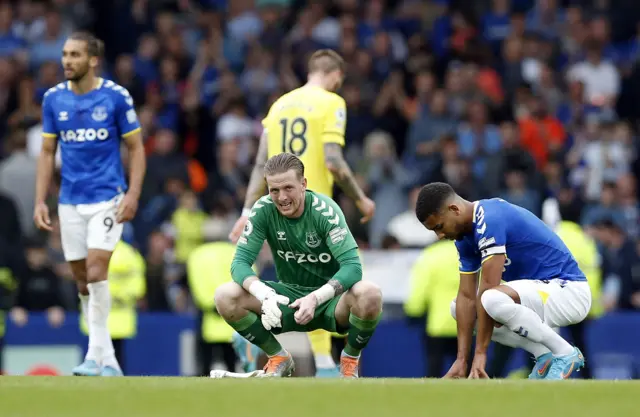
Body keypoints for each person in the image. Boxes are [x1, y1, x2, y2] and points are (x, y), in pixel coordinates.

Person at [228, 49, 375, 377]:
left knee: (299, 281)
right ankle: (325, 367)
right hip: (312, 203)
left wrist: (247, 209)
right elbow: (333, 160)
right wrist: (361, 199)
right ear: (336, 75)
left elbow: (260, 162)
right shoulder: (331, 102)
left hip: (274, 207)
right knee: (323, 280)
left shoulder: (278, 105)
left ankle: (262, 343)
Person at [33, 32, 146, 377]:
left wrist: (132, 195)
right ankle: (106, 355)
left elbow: (137, 148)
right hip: (69, 202)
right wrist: (40, 199)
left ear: (93, 60)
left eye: (75, 55)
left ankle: (95, 355)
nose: (67, 61)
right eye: (65, 54)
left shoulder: (114, 97)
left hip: (108, 198)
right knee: (83, 281)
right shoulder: (53, 100)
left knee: (97, 271)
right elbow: (48, 152)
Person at [213, 153, 382, 378]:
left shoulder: (324, 211)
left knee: (370, 293)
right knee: (225, 295)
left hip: (331, 301)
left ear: (304, 184)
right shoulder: (263, 209)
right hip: (288, 300)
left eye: (288, 188)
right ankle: (278, 357)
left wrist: (315, 298)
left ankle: (349, 360)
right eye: (274, 190)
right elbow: (239, 264)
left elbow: (352, 267)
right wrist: (264, 294)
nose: (281, 197)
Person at [415, 182, 591, 380]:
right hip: (540, 295)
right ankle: (544, 354)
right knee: (458, 308)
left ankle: (564, 352)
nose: (439, 236)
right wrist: (462, 360)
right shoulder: (465, 237)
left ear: (454, 209)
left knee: (491, 299)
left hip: (569, 292)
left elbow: (488, 288)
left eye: (439, 226)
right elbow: (466, 296)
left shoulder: (489, 218)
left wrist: (480, 355)